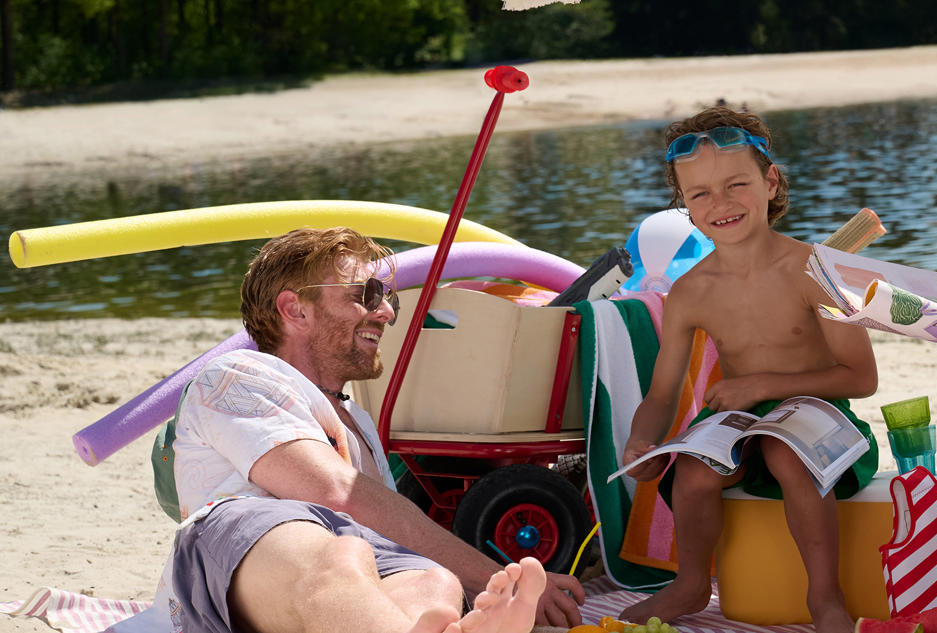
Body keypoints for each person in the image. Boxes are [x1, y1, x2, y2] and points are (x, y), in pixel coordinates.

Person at [144, 227, 585, 633]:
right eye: (366, 295)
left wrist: (459, 575)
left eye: (387, 297)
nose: (387, 312)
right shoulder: (238, 375)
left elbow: (384, 526)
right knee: (345, 554)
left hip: (333, 579)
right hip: (242, 545)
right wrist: (492, 576)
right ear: (295, 309)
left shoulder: (357, 419)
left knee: (432, 582)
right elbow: (335, 492)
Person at [616, 106, 879, 633]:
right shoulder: (691, 291)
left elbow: (861, 378)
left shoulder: (815, 271)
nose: (721, 203)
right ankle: (692, 583)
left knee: (785, 452)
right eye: (700, 194)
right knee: (693, 469)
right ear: (685, 206)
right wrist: (641, 442)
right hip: (741, 422)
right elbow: (662, 394)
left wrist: (762, 385)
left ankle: (825, 597)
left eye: (736, 184)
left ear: (770, 182)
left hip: (822, 420)